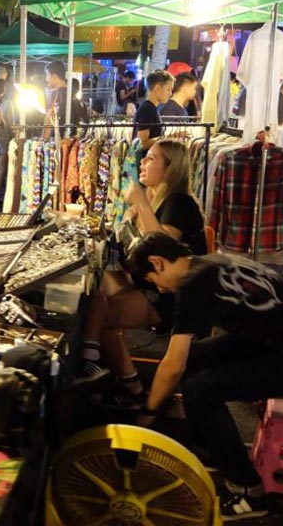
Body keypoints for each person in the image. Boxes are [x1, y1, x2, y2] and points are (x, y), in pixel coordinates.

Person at [126, 232, 283, 521]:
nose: (162, 290)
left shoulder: (193, 285)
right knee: (197, 358)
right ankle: (212, 450)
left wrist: (148, 411)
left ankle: (248, 490)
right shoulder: (210, 262)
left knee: (201, 389)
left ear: (157, 262)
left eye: (153, 280)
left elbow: (172, 365)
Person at [79, 140, 207, 401]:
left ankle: (124, 382)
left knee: (98, 313)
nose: (142, 163)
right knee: (92, 286)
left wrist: (140, 202)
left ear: (170, 168)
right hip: (144, 282)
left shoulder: (179, 202)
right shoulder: (154, 200)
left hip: (170, 296)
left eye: (151, 158)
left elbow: (162, 251)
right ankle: (107, 368)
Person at [134, 70, 174, 149]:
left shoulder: (151, 108)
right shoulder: (147, 109)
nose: (170, 93)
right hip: (146, 160)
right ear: (157, 88)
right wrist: (169, 137)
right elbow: (141, 144)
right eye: (168, 89)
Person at [0, 78, 14, 200]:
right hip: (2, 137)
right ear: (4, 90)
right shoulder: (8, 104)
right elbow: (10, 123)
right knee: (0, 168)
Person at [44, 61, 85, 126]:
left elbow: (50, 118)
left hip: (62, 134)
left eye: (47, 75)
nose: (46, 79)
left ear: (54, 77)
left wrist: (45, 136)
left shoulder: (57, 94)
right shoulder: (73, 94)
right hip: (73, 133)